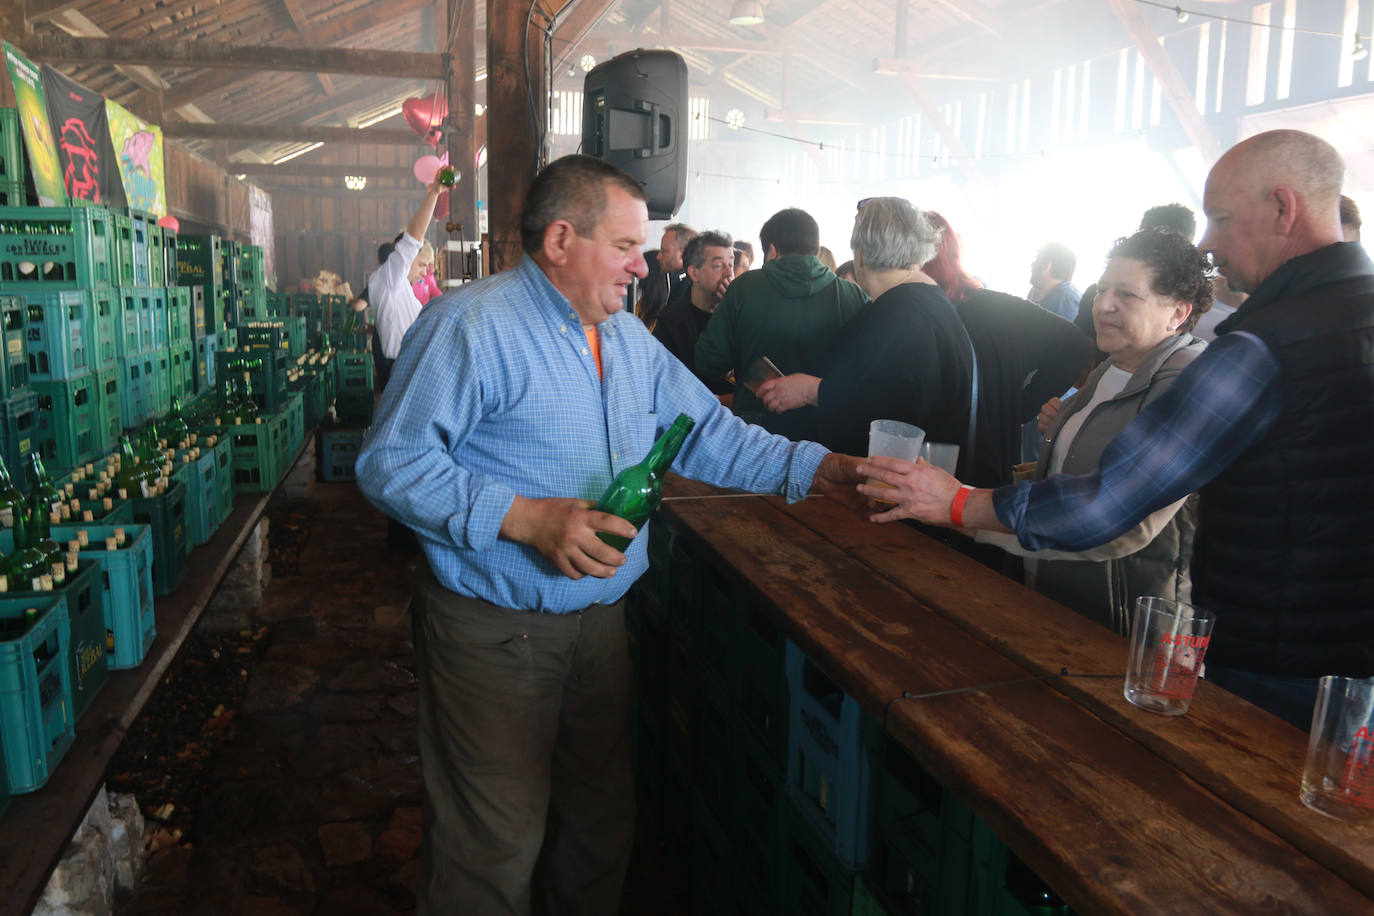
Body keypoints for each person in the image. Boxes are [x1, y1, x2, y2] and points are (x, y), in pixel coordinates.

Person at [353, 154, 864, 915]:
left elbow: (711, 436)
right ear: (561, 240)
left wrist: (823, 470)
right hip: (495, 631)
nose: (642, 264)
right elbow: (389, 463)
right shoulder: (469, 325)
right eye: (625, 246)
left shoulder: (625, 338)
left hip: (600, 624)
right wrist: (524, 517)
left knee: (597, 824)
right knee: (493, 842)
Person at [856, 129, 1374, 729]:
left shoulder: (1266, 347)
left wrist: (961, 505)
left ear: (1283, 208)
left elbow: (1113, 505)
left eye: (1222, 218)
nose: (1208, 243)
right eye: (1104, 290)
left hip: (1276, 659)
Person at [978, 228, 1212, 634]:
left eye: (1127, 294)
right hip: (1061, 593)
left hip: (1125, 620)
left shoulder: (1186, 379)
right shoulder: (1112, 365)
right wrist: (1067, 425)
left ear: (1177, 312)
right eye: (1102, 289)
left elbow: (1124, 519)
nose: (1103, 305)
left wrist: (969, 512)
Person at [756, 198, 974, 462]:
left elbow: (889, 407)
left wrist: (812, 390)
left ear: (859, 255)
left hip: (894, 486)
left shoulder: (902, 312)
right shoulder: (923, 301)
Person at [922, 211, 1093, 488]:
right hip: (962, 460)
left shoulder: (984, 307)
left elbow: (1074, 347)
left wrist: (1020, 407)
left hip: (971, 466)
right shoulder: (972, 305)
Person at [694, 207, 868, 441]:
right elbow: (868, 376)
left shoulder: (744, 288)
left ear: (772, 251)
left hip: (757, 433)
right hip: (828, 434)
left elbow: (709, 361)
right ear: (815, 249)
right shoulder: (852, 296)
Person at [370, 181, 444, 391]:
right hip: (400, 368)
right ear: (407, 258)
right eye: (421, 265)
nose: (423, 273)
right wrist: (435, 193)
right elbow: (413, 237)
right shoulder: (391, 277)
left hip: (408, 365)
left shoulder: (399, 286)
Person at [652, 230, 734, 392]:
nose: (729, 273)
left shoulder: (738, 311)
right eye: (718, 266)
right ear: (694, 273)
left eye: (731, 264)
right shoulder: (671, 323)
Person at [1028, 241, 1081, 321]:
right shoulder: (1036, 290)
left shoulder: (1066, 302)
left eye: (1037, 259)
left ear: (1046, 265)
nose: (1032, 265)